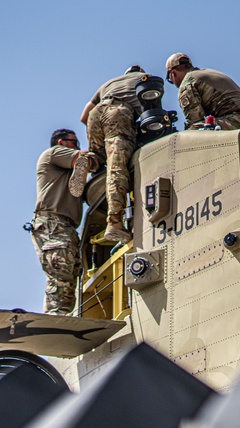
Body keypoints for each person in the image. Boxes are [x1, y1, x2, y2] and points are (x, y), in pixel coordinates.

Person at [79, 65, 147, 245]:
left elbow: (83, 116)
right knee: (117, 167)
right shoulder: (145, 80)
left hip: (96, 114)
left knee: (100, 156)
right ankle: (115, 222)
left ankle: (89, 161)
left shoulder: (108, 84)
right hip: (119, 113)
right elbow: (151, 114)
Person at [30, 128, 92, 316]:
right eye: (74, 142)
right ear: (61, 143)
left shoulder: (67, 170)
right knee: (60, 274)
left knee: (70, 275)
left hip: (64, 225)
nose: (77, 146)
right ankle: (56, 315)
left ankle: (57, 313)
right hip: (53, 222)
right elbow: (82, 158)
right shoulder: (53, 154)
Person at [164, 53, 240, 130]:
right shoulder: (207, 72)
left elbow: (194, 121)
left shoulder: (187, 83)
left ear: (172, 73)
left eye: (170, 80)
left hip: (238, 121)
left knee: (194, 132)